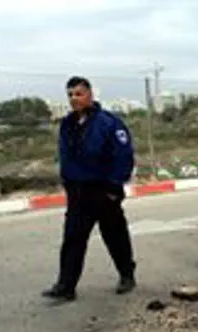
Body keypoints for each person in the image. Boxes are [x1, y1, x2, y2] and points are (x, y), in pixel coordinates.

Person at [41, 76, 137, 302]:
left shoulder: (108, 123)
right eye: (70, 95)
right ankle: (66, 286)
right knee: (73, 238)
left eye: (79, 94)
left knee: (114, 236)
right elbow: (65, 156)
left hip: (103, 190)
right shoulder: (67, 124)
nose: (74, 99)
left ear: (90, 95)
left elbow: (123, 155)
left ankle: (126, 275)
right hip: (77, 192)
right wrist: (67, 181)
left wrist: (114, 187)